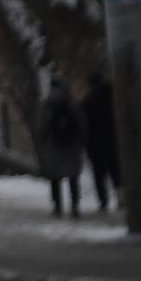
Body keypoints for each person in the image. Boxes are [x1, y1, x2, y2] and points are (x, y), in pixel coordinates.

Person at [35, 76, 86, 217]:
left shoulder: (47, 105)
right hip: (72, 147)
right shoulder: (72, 103)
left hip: (54, 146)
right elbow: (82, 125)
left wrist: (44, 141)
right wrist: (80, 143)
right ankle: (75, 205)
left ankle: (57, 206)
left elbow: (41, 128)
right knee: (73, 178)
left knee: (55, 178)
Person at [83, 70, 120, 213]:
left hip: (95, 145)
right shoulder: (113, 97)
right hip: (114, 141)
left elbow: (84, 125)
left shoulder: (88, 101)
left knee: (99, 174)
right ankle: (122, 198)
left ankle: (103, 201)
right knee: (116, 172)